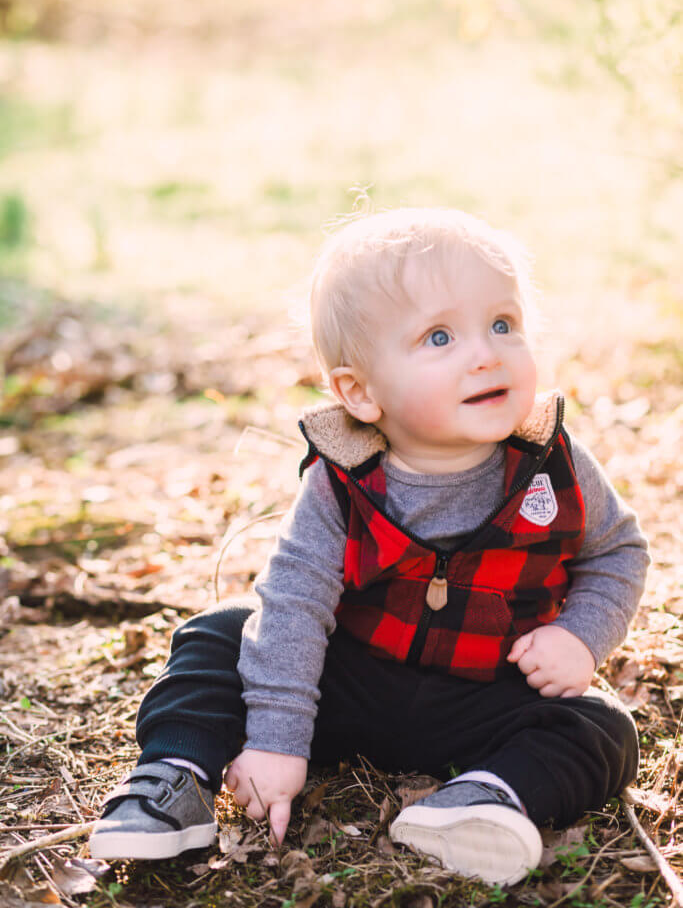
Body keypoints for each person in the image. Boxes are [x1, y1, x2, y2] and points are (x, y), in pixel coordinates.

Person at [90, 209, 648, 885]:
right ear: (360, 393)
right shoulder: (343, 482)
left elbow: (616, 552)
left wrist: (579, 636)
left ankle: (485, 798)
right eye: (438, 336)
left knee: (600, 726)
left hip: (488, 695)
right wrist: (276, 740)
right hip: (347, 685)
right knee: (219, 637)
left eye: (503, 324)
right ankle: (175, 778)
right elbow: (294, 607)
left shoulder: (549, 461)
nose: (485, 352)